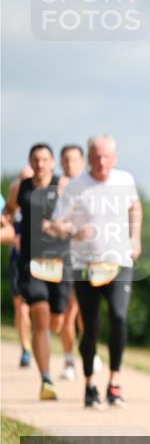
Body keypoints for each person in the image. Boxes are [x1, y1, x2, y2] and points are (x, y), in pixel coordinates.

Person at [47, 134, 142, 408]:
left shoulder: (125, 180)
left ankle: (114, 382)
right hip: (85, 265)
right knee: (90, 327)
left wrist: (135, 238)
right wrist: (75, 231)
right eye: (96, 157)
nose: (101, 162)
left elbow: (135, 207)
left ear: (114, 158)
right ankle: (89, 385)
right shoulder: (76, 186)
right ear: (89, 158)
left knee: (119, 316)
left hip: (118, 262)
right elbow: (56, 225)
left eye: (106, 157)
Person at [3, 144, 74, 400]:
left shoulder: (64, 186)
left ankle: (49, 353)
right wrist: (9, 227)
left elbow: (78, 220)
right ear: (30, 162)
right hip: (30, 263)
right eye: (36, 160)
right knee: (40, 316)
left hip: (60, 262)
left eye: (45, 160)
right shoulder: (19, 188)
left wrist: (60, 228)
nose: (40, 164)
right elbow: (9, 212)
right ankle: (46, 378)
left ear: (52, 162)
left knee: (57, 321)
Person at [56, 144, 86, 382]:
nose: (69, 165)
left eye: (74, 160)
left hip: (90, 258)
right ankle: (68, 360)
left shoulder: (94, 187)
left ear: (83, 162)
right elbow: (54, 225)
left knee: (87, 311)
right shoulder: (58, 189)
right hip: (66, 258)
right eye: (65, 160)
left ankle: (89, 352)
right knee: (68, 312)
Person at [6, 165, 35, 368]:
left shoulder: (43, 203)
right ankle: (26, 349)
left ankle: (39, 340)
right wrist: (12, 238)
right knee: (21, 307)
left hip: (42, 262)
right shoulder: (10, 210)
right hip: (18, 261)